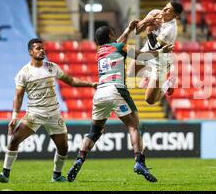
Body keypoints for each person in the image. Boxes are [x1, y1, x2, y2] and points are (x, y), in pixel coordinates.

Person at [66, 21, 174, 183]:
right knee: (134, 126)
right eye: (113, 33)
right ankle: (139, 162)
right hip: (116, 89)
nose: (116, 35)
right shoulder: (118, 47)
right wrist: (160, 52)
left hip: (100, 93)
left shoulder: (100, 51)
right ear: (110, 36)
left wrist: (129, 29)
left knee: (94, 131)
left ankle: (79, 159)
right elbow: (139, 55)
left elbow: (118, 43)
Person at [0, 38, 97, 183]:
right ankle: (5, 175)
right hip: (34, 114)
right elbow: (18, 95)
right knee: (14, 139)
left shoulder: (52, 67)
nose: (42, 50)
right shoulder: (24, 73)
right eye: (38, 48)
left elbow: (71, 81)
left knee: (63, 147)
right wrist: (14, 116)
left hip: (53, 114)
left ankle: (57, 176)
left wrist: (90, 84)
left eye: (43, 48)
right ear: (30, 52)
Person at [127, 1, 182, 105]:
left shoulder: (170, 30)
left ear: (175, 15)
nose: (164, 10)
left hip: (160, 61)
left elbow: (154, 49)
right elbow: (137, 31)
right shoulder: (155, 13)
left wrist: (149, 30)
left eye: (168, 10)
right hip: (148, 51)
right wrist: (145, 21)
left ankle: (167, 85)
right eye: (165, 6)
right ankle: (148, 75)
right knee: (130, 72)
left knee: (150, 100)